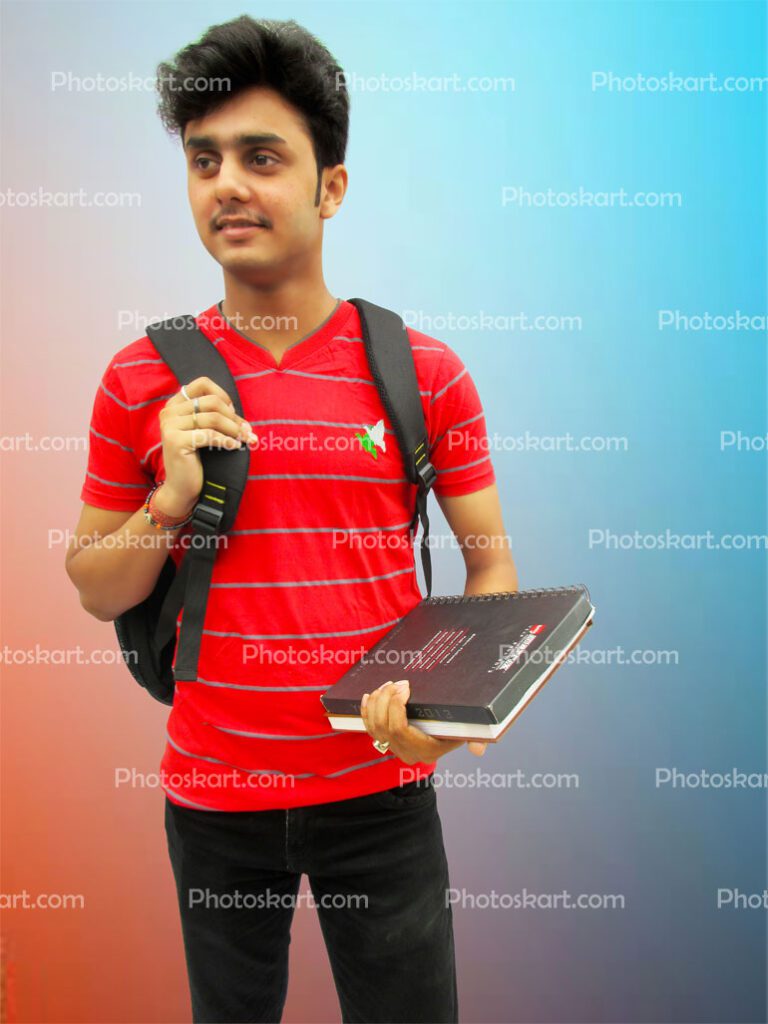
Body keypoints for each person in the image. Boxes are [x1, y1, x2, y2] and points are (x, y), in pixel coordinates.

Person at [65, 15, 518, 1024]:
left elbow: (495, 576)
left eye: (263, 157)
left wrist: (441, 721)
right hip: (214, 800)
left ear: (331, 186)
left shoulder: (423, 372)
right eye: (203, 158)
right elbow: (97, 587)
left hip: (381, 795)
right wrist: (167, 500)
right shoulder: (141, 376)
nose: (228, 183)